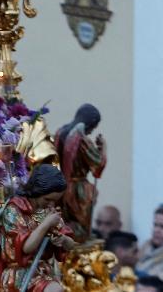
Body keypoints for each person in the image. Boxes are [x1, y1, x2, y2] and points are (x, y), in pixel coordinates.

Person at [0, 163, 76, 292]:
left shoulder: (47, 211)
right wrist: (46, 224)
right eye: (47, 199)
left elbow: (71, 246)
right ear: (37, 191)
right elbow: (27, 247)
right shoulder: (15, 209)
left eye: (55, 200)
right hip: (20, 274)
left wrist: (63, 240)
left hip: (44, 271)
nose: (51, 204)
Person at [55, 103, 108, 242]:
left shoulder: (60, 133)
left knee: (67, 219)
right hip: (79, 190)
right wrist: (103, 148)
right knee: (80, 228)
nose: (91, 131)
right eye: (93, 127)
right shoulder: (81, 139)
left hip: (62, 185)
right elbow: (97, 164)